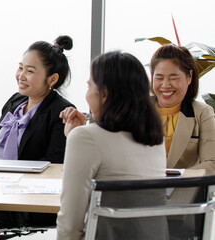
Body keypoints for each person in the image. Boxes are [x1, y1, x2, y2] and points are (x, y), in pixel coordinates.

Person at [56, 51, 167, 239]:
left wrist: (77, 135)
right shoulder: (155, 139)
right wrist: (77, 134)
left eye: (89, 85)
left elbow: (70, 225)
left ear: (104, 93)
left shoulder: (84, 138)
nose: (87, 93)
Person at [0, 35, 75, 227]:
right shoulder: (15, 101)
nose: (21, 75)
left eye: (30, 71)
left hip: (23, 196)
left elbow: (54, 164)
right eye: (20, 68)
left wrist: (8, 177)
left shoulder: (60, 112)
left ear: (52, 79)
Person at [150, 44, 215, 174]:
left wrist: (174, 178)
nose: (165, 85)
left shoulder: (202, 113)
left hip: (185, 191)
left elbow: (212, 164)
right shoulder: (135, 110)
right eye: (159, 78)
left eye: (173, 78)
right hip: (139, 190)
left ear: (189, 77)